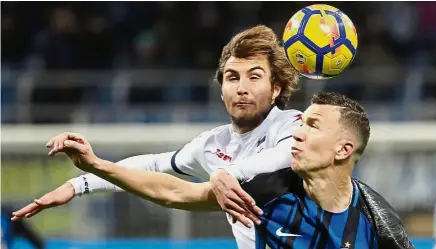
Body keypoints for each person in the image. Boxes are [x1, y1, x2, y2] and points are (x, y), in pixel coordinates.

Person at [12, 25, 302, 249]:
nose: (241, 88)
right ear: (221, 87)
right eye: (232, 77)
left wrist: (227, 173)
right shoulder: (212, 145)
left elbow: (281, 157)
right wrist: (79, 184)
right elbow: (152, 166)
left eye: (254, 77)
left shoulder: (294, 126)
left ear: (276, 88)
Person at [33, 92, 414, 249]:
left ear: (343, 150)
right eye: (300, 123)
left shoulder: (377, 221)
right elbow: (174, 192)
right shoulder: (266, 191)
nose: (297, 132)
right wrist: (96, 168)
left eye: (312, 126)